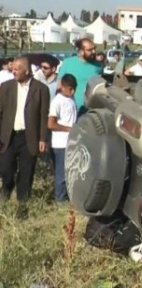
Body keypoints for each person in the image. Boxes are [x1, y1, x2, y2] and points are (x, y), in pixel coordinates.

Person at [0, 56, 50, 219]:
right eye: (12, 68)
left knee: (26, 173)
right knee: (6, 170)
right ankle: (6, 190)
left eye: (17, 69)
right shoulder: (6, 87)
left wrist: (43, 139)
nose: (13, 71)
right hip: (8, 136)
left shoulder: (41, 89)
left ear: (27, 71)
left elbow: (43, 116)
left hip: (29, 137)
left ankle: (22, 207)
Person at [48, 74, 77, 203]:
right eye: (70, 89)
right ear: (63, 87)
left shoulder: (71, 99)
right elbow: (51, 124)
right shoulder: (57, 102)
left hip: (71, 142)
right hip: (60, 144)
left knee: (70, 172)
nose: (73, 92)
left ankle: (68, 197)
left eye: (74, 89)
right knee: (61, 174)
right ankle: (60, 200)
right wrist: (69, 129)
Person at [57, 38, 103, 116]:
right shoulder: (68, 63)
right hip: (70, 110)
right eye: (89, 50)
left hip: (91, 111)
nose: (94, 52)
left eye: (94, 49)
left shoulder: (98, 66)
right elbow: (59, 86)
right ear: (81, 51)